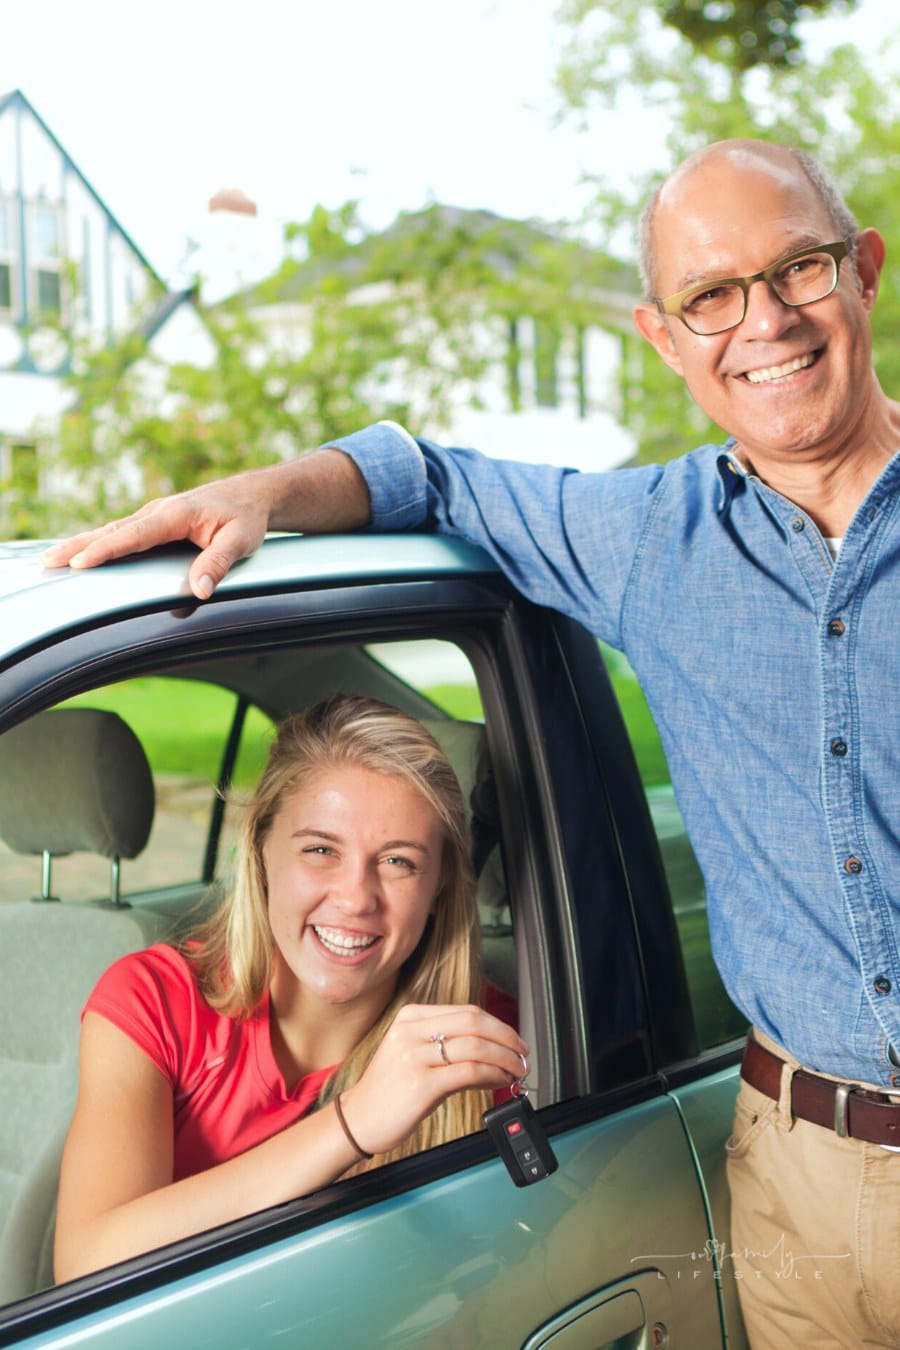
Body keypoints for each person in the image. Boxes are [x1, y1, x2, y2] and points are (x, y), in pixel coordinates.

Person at [44, 138, 900, 1347]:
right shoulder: (649, 538)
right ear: (663, 336)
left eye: (798, 270)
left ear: (862, 271)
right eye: (711, 294)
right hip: (800, 1185)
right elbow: (428, 475)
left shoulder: (474, 1022)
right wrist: (266, 494)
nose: (761, 321)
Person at [54, 694, 528, 1283]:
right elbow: (87, 1266)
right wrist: (353, 1125)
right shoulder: (156, 1001)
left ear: (438, 890)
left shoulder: (489, 1042)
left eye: (399, 862)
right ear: (260, 854)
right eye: (321, 850)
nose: (356, 897)